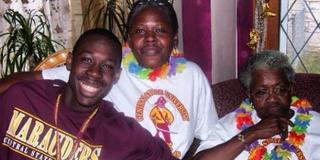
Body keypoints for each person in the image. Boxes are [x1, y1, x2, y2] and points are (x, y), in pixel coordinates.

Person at [0, 0, 218, 158]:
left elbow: (206, 134)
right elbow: (40, 78)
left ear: (174, 38)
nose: (150, 38)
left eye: (160, 30)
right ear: (130, 40)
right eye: (140, 31)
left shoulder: (192, 75)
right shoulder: (108, 67)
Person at [0, 28, 176, 160]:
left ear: (116, 76)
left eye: (107, 66)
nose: (94, 73)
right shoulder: (22, 99)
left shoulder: (122, 133)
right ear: (70, 61)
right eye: (86, 60)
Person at [193, 50, 320, 160]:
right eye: (262, 92)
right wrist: (252, 134)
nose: (272, 98)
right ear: (250, 94)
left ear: (291, 89)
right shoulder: (229, 126)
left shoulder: (316, 124)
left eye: (280, 90)